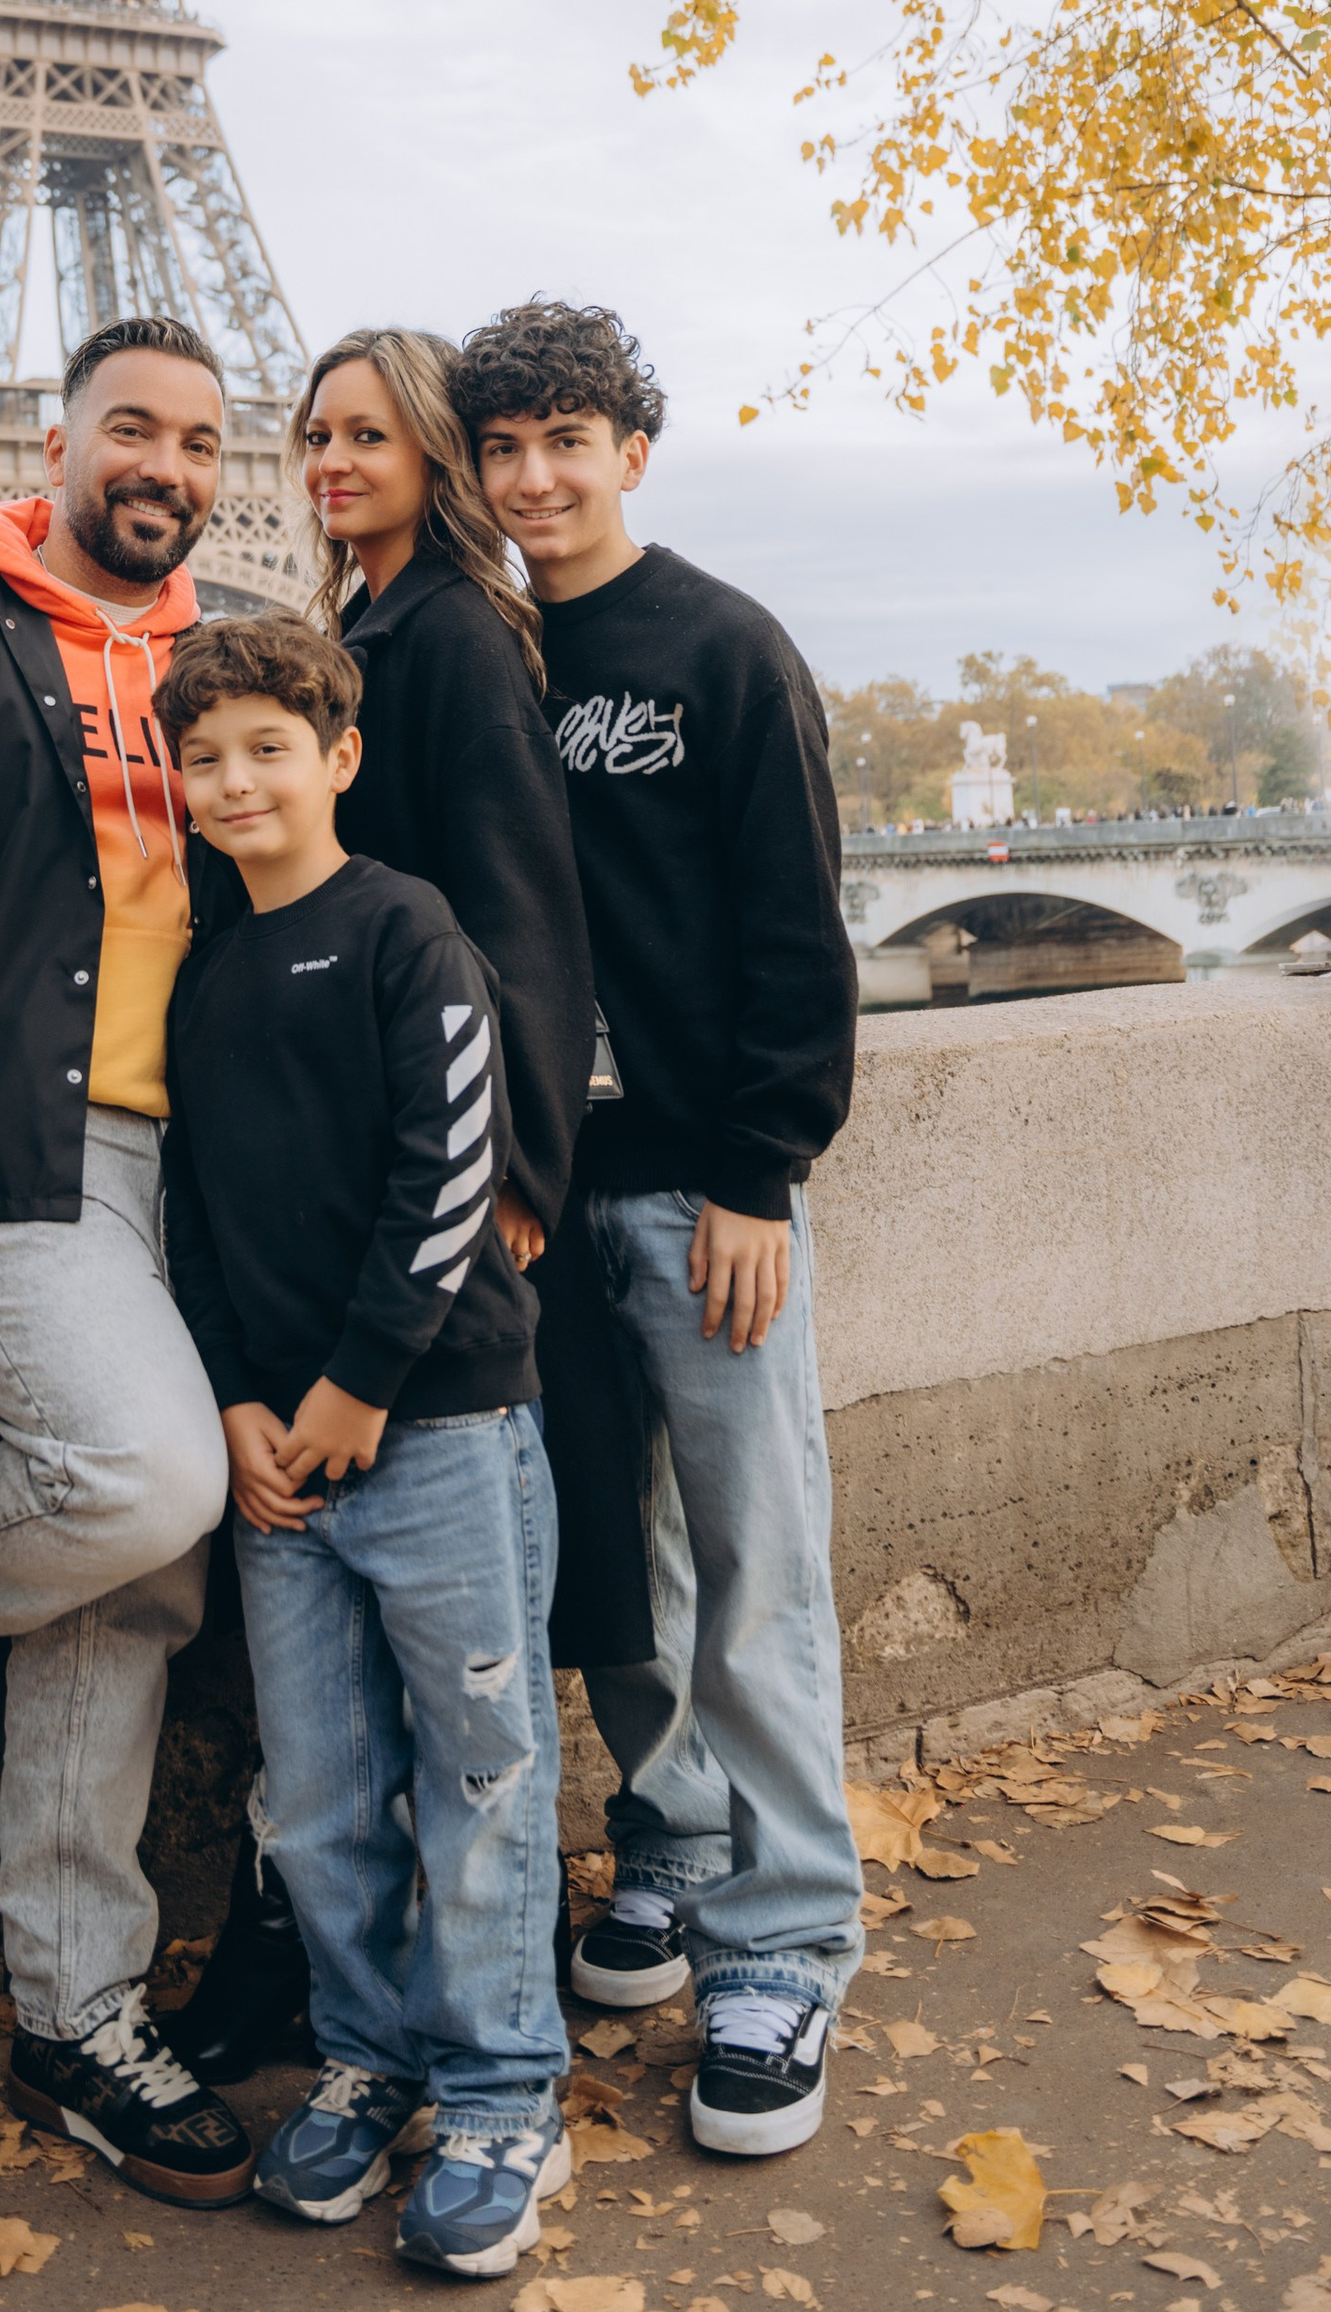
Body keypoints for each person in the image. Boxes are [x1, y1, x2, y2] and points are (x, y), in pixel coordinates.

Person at [168, 327, 624, 2086]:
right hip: (314, 1278)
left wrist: (515, 1167)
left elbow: (521, 917)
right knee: (357, 1750)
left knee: (465, 1731)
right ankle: (366, 2025)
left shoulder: (443, 632)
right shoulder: (359, 630)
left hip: (430, 1255)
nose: (334, 459)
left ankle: (489, 2050)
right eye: (316, 434)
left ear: (433, 452)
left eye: (371, 433)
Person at [459, 296, 863, 2161]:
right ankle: (680, 1832)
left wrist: (762, 1172)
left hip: (703, 1192)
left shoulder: (721, 649)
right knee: (615, 1575)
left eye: (568, 440)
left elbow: (796, 932)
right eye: (505, 446)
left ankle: (785, 1943)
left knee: (757, 1568)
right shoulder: (483, 654)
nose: (535, 478)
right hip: (544, 1200)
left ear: (632, 451)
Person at [0, 318, 249, 2212]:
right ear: (58, 440)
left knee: (149, 1576)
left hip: (219, 1167)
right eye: (129, 429)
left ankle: (74, 2011)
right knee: (147, 1478)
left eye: (196, 436)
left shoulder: (234, 658)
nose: (163, 462)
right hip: (14, 1158)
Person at [156, 614, 569, 2280]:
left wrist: (357, 1386)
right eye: (205, 757)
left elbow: (450, 1169)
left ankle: (499, 2091)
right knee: (319, 1796)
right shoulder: (205, 971)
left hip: (441, 1428)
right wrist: (240, 1400)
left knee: (481, 1780)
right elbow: (196, 1211)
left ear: (339, 757)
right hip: (280, 1460)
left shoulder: (407, 929)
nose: (236, 779)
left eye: (270, 747)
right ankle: (369, 2054)